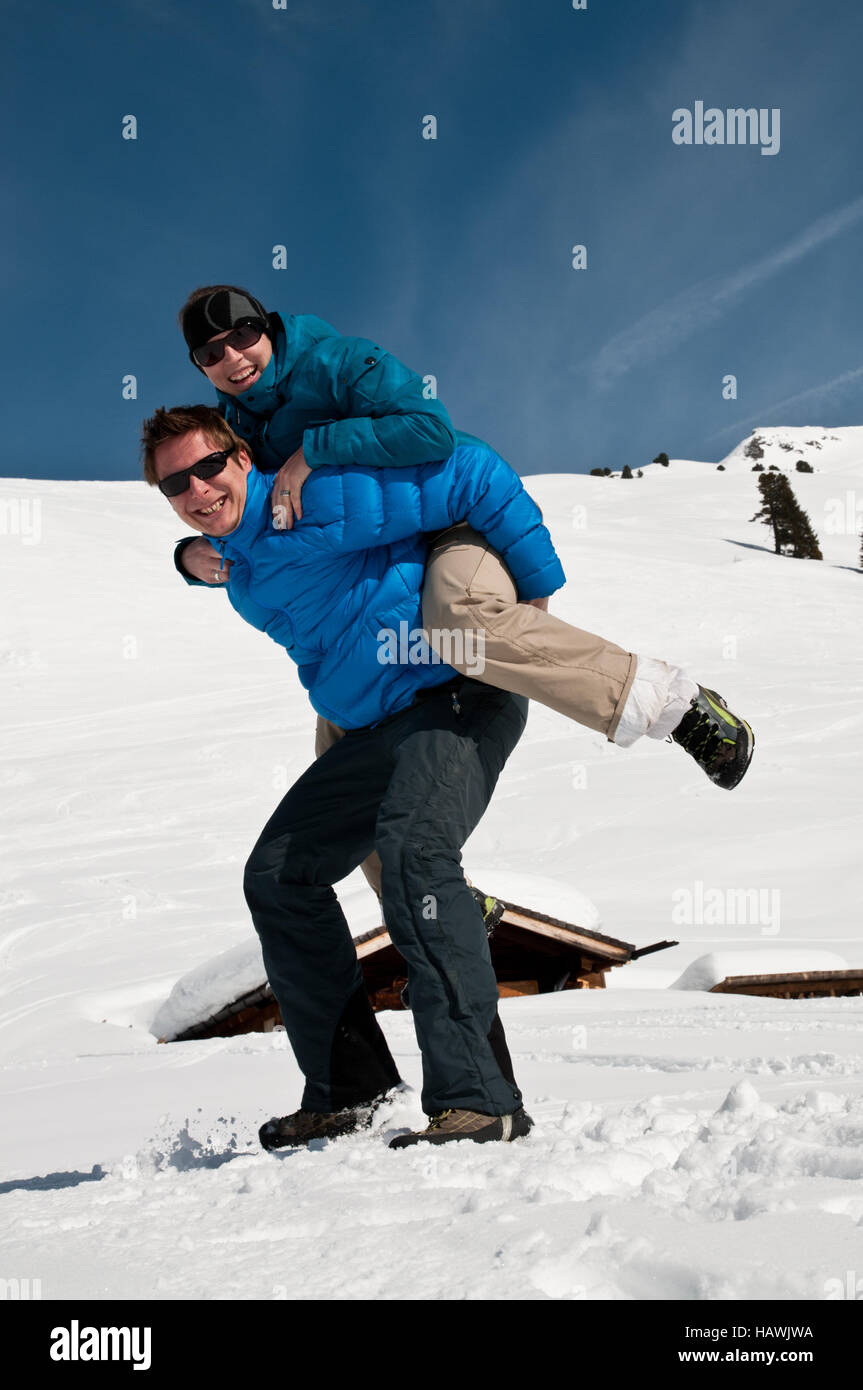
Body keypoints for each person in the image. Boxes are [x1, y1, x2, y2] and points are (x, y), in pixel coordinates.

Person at [141, 403, 567, 1148]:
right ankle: (350, 1090)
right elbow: (250, 557)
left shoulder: (318, 496)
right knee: (278, 875)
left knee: (414, 854)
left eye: (210, 466)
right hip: (374, 732)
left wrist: (533, 587)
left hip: (457, 693)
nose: (199, 490)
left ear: (243, 459)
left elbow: (462, 469)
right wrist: (187, 562)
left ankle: (479, 1100)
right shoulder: (237, 568)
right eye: (177, 484)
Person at [171, 285, 756, 816]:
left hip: (453, 516)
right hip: (382, 552)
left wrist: (314, 448)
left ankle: (680, 708)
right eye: (211, 353)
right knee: (343, 710)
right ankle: (429, 890)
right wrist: (191, 556)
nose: (233, 358)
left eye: (243, 336)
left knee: (460, 615)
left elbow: (433, 433)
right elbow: (232, 506)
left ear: (267, 326)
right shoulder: (234, 426)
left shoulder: (338, 362)